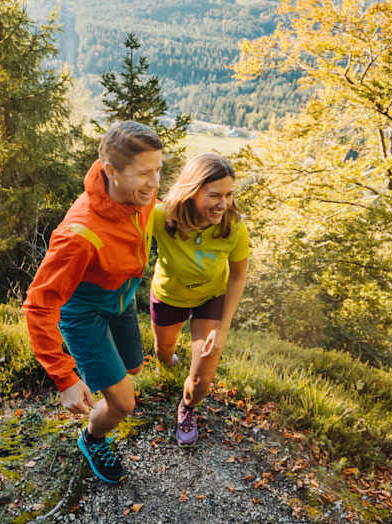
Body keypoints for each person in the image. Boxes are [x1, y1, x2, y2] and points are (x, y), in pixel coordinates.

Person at [22, 121, 162, 484]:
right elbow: (38, 305)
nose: (154, 182)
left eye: (158, 169)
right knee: (124, 402)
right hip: (84, 314)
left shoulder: (139, 195)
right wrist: (64, 378)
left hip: (120, 298)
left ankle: (100, 373)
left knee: (133, 368)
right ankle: (92, 438)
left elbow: (151, 215)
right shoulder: (78, 235)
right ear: (111, 172)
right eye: (144, 173)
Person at [148, 152, 250, 446]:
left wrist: (223, 329)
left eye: (228, 195)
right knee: (164, 351)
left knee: (202, 376)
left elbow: (237, 276)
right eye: (215, 195)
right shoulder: (161, 216)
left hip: (211, 298)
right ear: (192, 191)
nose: (223, 204)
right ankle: (167, 363)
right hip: (169, 295)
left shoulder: (233, 227)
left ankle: (188, 407)